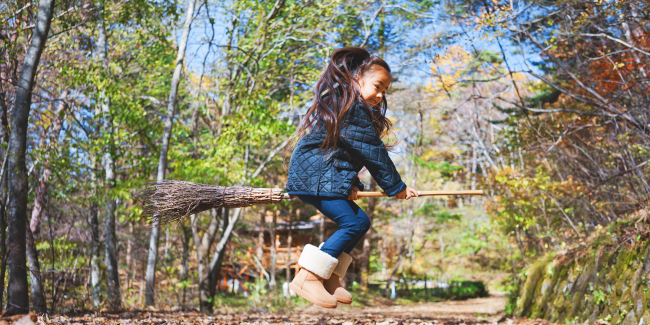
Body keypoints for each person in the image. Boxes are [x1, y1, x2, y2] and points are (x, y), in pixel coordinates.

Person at [285, 47, 418, 308]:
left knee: (361, 221)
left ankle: (330, 276)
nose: (380, 96)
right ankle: (308, 276)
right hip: (315, 177)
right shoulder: (351, 108)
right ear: (357, 79)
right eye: (377, 86)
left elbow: (345, 153)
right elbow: (371, 151)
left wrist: (352, 184)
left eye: (384, 91)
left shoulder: (350, 108)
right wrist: (397, 187)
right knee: (352, 224)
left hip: (325, 174)